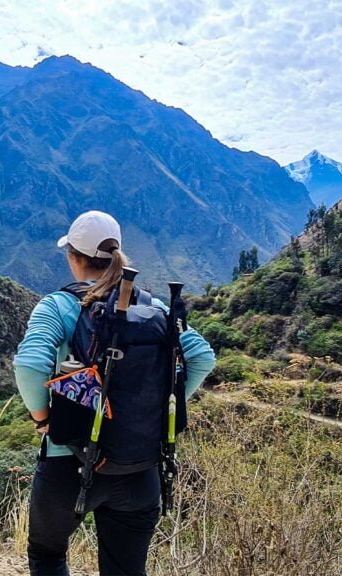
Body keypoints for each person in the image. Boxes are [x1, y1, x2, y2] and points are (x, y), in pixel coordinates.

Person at [13, 210, 216, 576]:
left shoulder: (59, 306)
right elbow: (202, 358)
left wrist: (43, 419)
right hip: (140, 467)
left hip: (68, 461)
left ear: (74, 259)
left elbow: (28, 365)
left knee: (48, 555)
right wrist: (158, 409)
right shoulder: (153, 308)